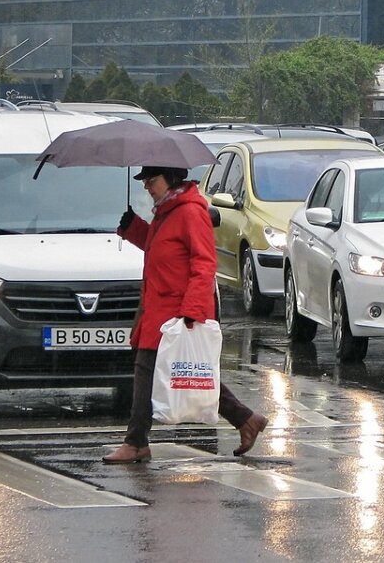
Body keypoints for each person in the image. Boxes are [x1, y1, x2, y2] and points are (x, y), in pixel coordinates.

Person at [103, 166, 268, 463]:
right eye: (144, 182)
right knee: (185, 373)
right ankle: (246, 420)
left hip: (176, 313)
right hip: (159, 310)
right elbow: (162, 251)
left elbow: (204, 263)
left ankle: (136, 442)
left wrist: (191, 311)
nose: (147, 187)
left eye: (151, 181)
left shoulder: (190, 211)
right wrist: (133, 227)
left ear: (170, 179)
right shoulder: (166, 211)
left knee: (158, 371)